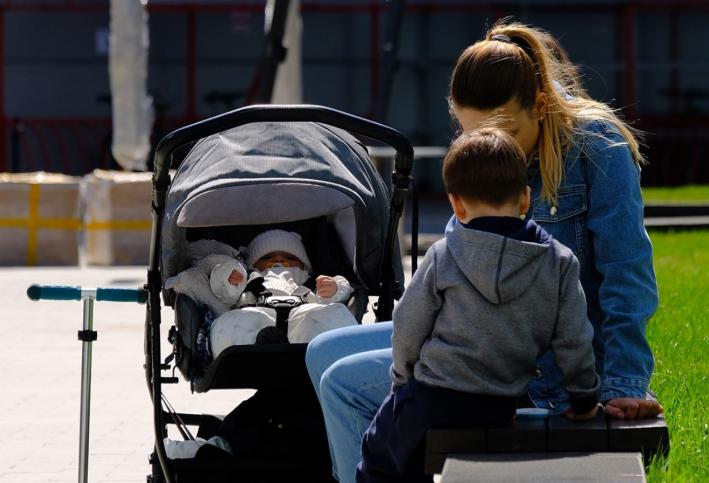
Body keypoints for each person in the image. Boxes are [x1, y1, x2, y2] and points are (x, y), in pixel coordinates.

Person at [306, 20, 662, 483]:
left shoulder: (598, 147)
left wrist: (622, 385)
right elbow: (456, 262)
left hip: (536, 362)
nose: (492, 149)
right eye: (472, 135)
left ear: (539, 105)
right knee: (320, 350)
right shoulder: (488, 149)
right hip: (477, 332)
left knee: (343, 384)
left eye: (507, 131)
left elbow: (627, 274)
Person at [356, 128, 601, 482]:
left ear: (456, 204)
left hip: (432, 399)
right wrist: (583, 396)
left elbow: (408, 323)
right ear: (525, 198)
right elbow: (574, 339)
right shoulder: (559, 262)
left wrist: (401, 379)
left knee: (379, 456)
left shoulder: (444, 255)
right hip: (500, 404)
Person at [209, 229, 357, 354]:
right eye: (267, 257)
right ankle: (257, 346)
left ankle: (318, 348)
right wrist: (228, 278)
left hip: (300, 319)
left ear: (304, 266)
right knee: (225, 323)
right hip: (257, 316)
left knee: (337, 313)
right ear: (252, 264)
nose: (278, 261)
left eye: (289, 257)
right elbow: (223, 292)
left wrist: (334, 289)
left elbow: (341, 289)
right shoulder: (247, 278)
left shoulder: (310, 281)